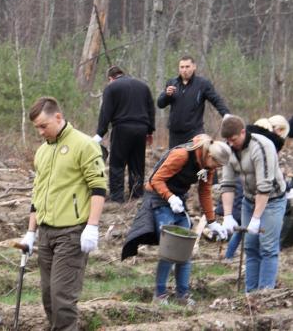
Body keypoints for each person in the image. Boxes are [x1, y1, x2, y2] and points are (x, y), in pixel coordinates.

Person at [19, 96, 107, 331]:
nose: (40, 132)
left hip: (72, 232)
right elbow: (38, 194)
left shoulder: (84, 144)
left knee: (62, 298)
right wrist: (31, 232)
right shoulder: (42, 152)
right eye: (36, 127)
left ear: (58, 117)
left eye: (43, 126)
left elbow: (99, 187)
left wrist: (93, 226)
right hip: (46, 233)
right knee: (48, 296)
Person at [121, 134, 230, 305]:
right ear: (209, 155)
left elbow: (205, 191)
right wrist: (170, 198)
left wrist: (212, 220)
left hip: (178, 201)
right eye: (217, 164)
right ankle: (159, 295)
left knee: (184, 249)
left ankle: (182, 295)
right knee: (169, 248)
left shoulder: (207, 168)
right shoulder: (182, 155)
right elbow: (155, 179)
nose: (216, 168)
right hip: (158, 198)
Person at [220, 115, 287, 292]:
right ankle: (250, 293)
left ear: (243, 132)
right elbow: (227, 184)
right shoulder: (229, 148)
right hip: (249, 200)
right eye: (227, 140)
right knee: (250, 246)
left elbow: (264, 187)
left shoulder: (262, 146)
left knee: (267, 247)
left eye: (233, 139)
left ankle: (264, 293)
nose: (231, 144)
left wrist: (256, 219)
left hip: (272, 199)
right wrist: (227, 215)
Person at [93, 65, 155, 203]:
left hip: (122, 128)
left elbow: (105, 112)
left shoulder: (112, 87)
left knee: (117, 163)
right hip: (141, 129)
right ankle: (137, 195)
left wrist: (99, 134)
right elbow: (151, 109)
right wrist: (150, 131)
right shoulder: (143, 86)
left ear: (110, 78)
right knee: (137, 163)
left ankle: (117, 198)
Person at [157, 56, 230, 148]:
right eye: (182, 67)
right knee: (177, 161)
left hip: (194, 133)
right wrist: (166, 95)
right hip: (175, 134)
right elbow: (160, 104)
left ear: (194, 67)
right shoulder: (172, 82)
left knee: (194, 161)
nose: (184, 70)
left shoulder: (202, 84)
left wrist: (226, 115)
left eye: (187, 67)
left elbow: (216, 100)